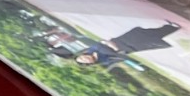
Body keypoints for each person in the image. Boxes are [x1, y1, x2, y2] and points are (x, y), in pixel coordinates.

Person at [50, 22, 181, 68]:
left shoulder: (90, 50)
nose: (85, 58)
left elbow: (99, 43)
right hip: (128, 46)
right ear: (89, 63)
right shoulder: (104, 61)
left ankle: (167, 27)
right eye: (84, 61)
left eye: (82, 57)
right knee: (149, 38)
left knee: (142, 32)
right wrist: (112, 48)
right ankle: (172, 29)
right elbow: (118, 56)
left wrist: (108, 45)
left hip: (120, 40)